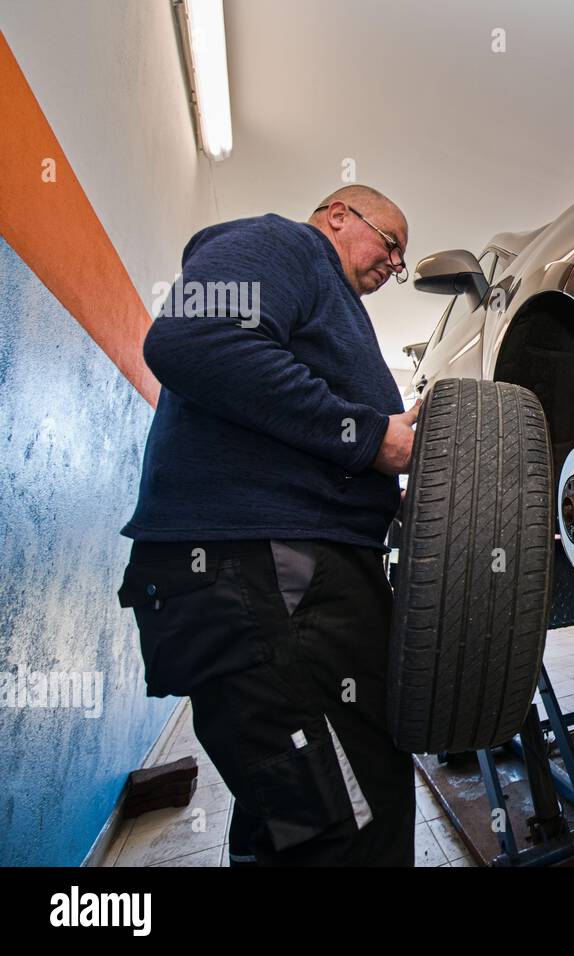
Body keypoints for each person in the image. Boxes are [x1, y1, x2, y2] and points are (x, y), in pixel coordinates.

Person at [117, 184, 420, 865]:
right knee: (349, 822)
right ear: (338, 215)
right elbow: (195, 338)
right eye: (391, 243)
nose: (396, 265)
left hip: (279, 577)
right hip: (266, 577)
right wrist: (372, 436)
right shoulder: (286, 243)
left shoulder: (322, 295)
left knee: (291, 820)